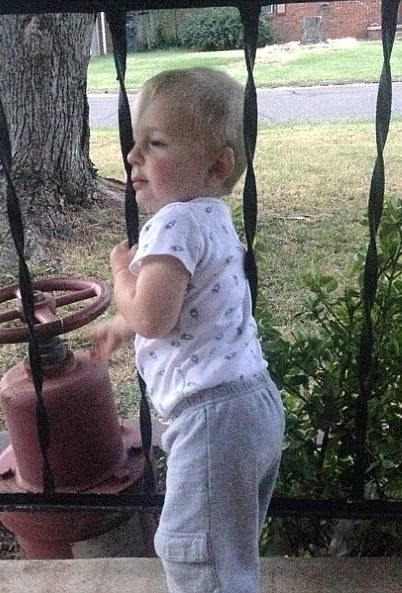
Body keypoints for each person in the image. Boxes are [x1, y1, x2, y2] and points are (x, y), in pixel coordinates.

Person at [90, 67, 285, 593]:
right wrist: (121, 327)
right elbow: (185, 307)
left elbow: (153, 316)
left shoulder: (173, 223)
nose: (133, 155)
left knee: (197, 560)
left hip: (211, 416)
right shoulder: (213, 218)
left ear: (217, 164)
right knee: (227, 555)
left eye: (155, 143)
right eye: (136, 142)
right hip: (252, 404)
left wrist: (120, 275)